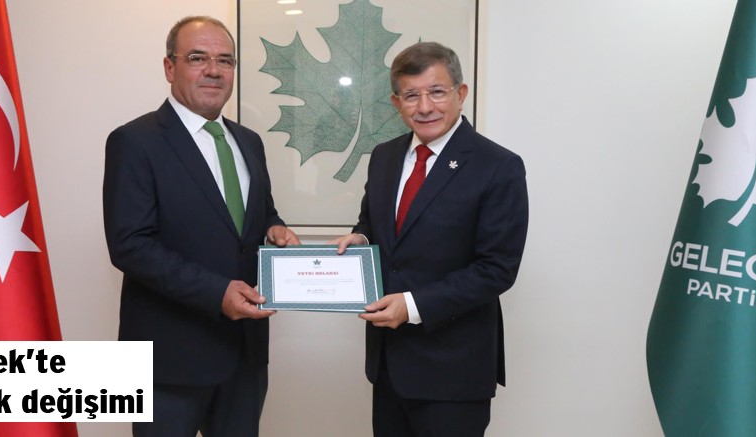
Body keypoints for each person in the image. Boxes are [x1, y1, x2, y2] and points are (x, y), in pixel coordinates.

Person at [102, 16, 299, 437]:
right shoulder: (134, 141)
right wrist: (216, 292)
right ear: (169, 67)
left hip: (245, 355)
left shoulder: (249, 142)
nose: (214, 70)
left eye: (225, 60)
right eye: (197, 58)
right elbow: (130, 245)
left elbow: (259, 214)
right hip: (170, 359)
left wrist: (275, 228)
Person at [331, 42, 529, 437]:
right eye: (411, 95)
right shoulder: (384, 157)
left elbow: (496, 269)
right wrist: (361, 239)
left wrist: (411, 305)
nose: (425, 107)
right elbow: (374, 223)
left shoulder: (498, 166)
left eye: (437, 92)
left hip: (454, 371)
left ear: (461, 93)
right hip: (389, 365)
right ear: (396, 102)